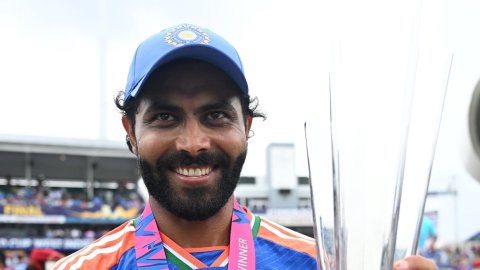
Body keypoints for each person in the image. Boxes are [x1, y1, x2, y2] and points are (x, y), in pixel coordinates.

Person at [52, 23, 437, 270]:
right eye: (165, 117)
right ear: (131, 131)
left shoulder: (315, 265)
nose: (193, 143)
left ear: (246, 126)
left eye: (215, 115)